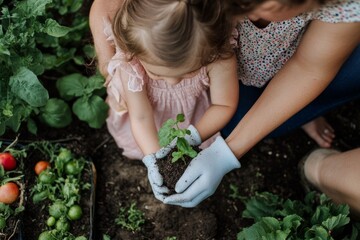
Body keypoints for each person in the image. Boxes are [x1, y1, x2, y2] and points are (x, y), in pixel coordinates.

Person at [158, 0, 360, 208]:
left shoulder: (346, 6)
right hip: (240, 65)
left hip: (292, 54)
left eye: (255, 9)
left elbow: (309, 68)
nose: (246, 17)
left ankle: (307, 109)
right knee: (236, 123)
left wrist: (225, 154)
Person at [89, 0, 239, 190]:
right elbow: (141, 117)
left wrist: (191, 137)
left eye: (188, 72)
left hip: (196, 118)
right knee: (143, 144)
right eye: (157, 74)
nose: (173, 82)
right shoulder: (132, 64)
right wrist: (155, 160)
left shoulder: (217, 55)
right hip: (149, 123)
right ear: (135, 53)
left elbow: (223, 105)